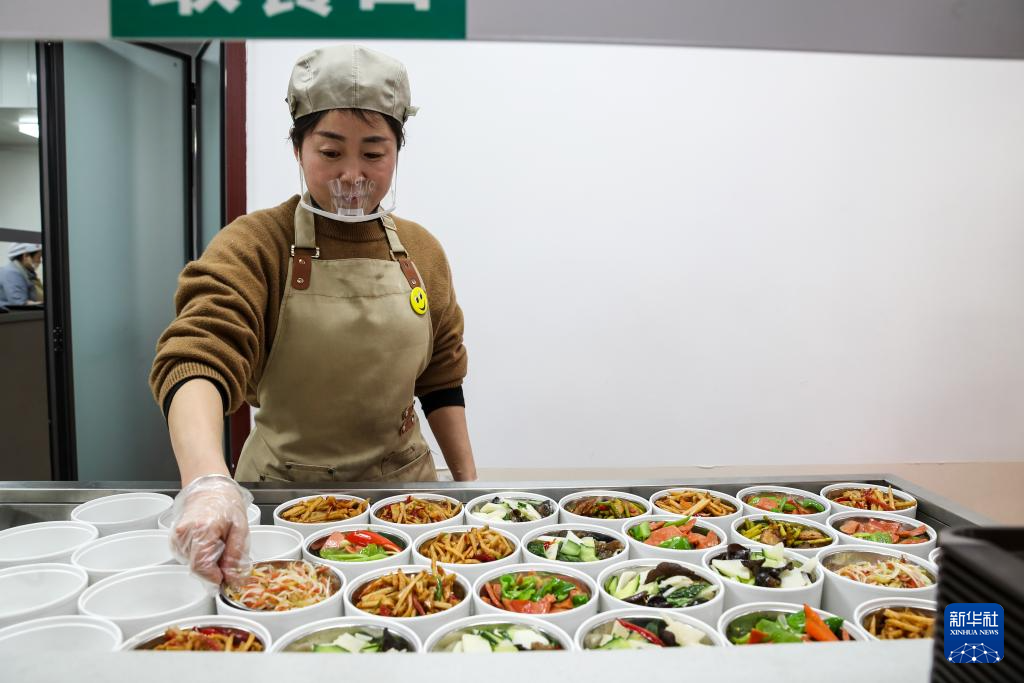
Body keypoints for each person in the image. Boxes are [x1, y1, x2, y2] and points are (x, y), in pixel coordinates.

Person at [150, 45, 476, 584]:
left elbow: (442, 378)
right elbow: (198, 356)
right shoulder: (257, 243)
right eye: (330, 151)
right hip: (285, 499)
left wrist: (469, 490)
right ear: (298, 149)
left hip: (406, 499)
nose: (352, 174)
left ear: (397, 151)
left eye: (374, 153)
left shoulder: (422, 250)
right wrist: (207, 484)